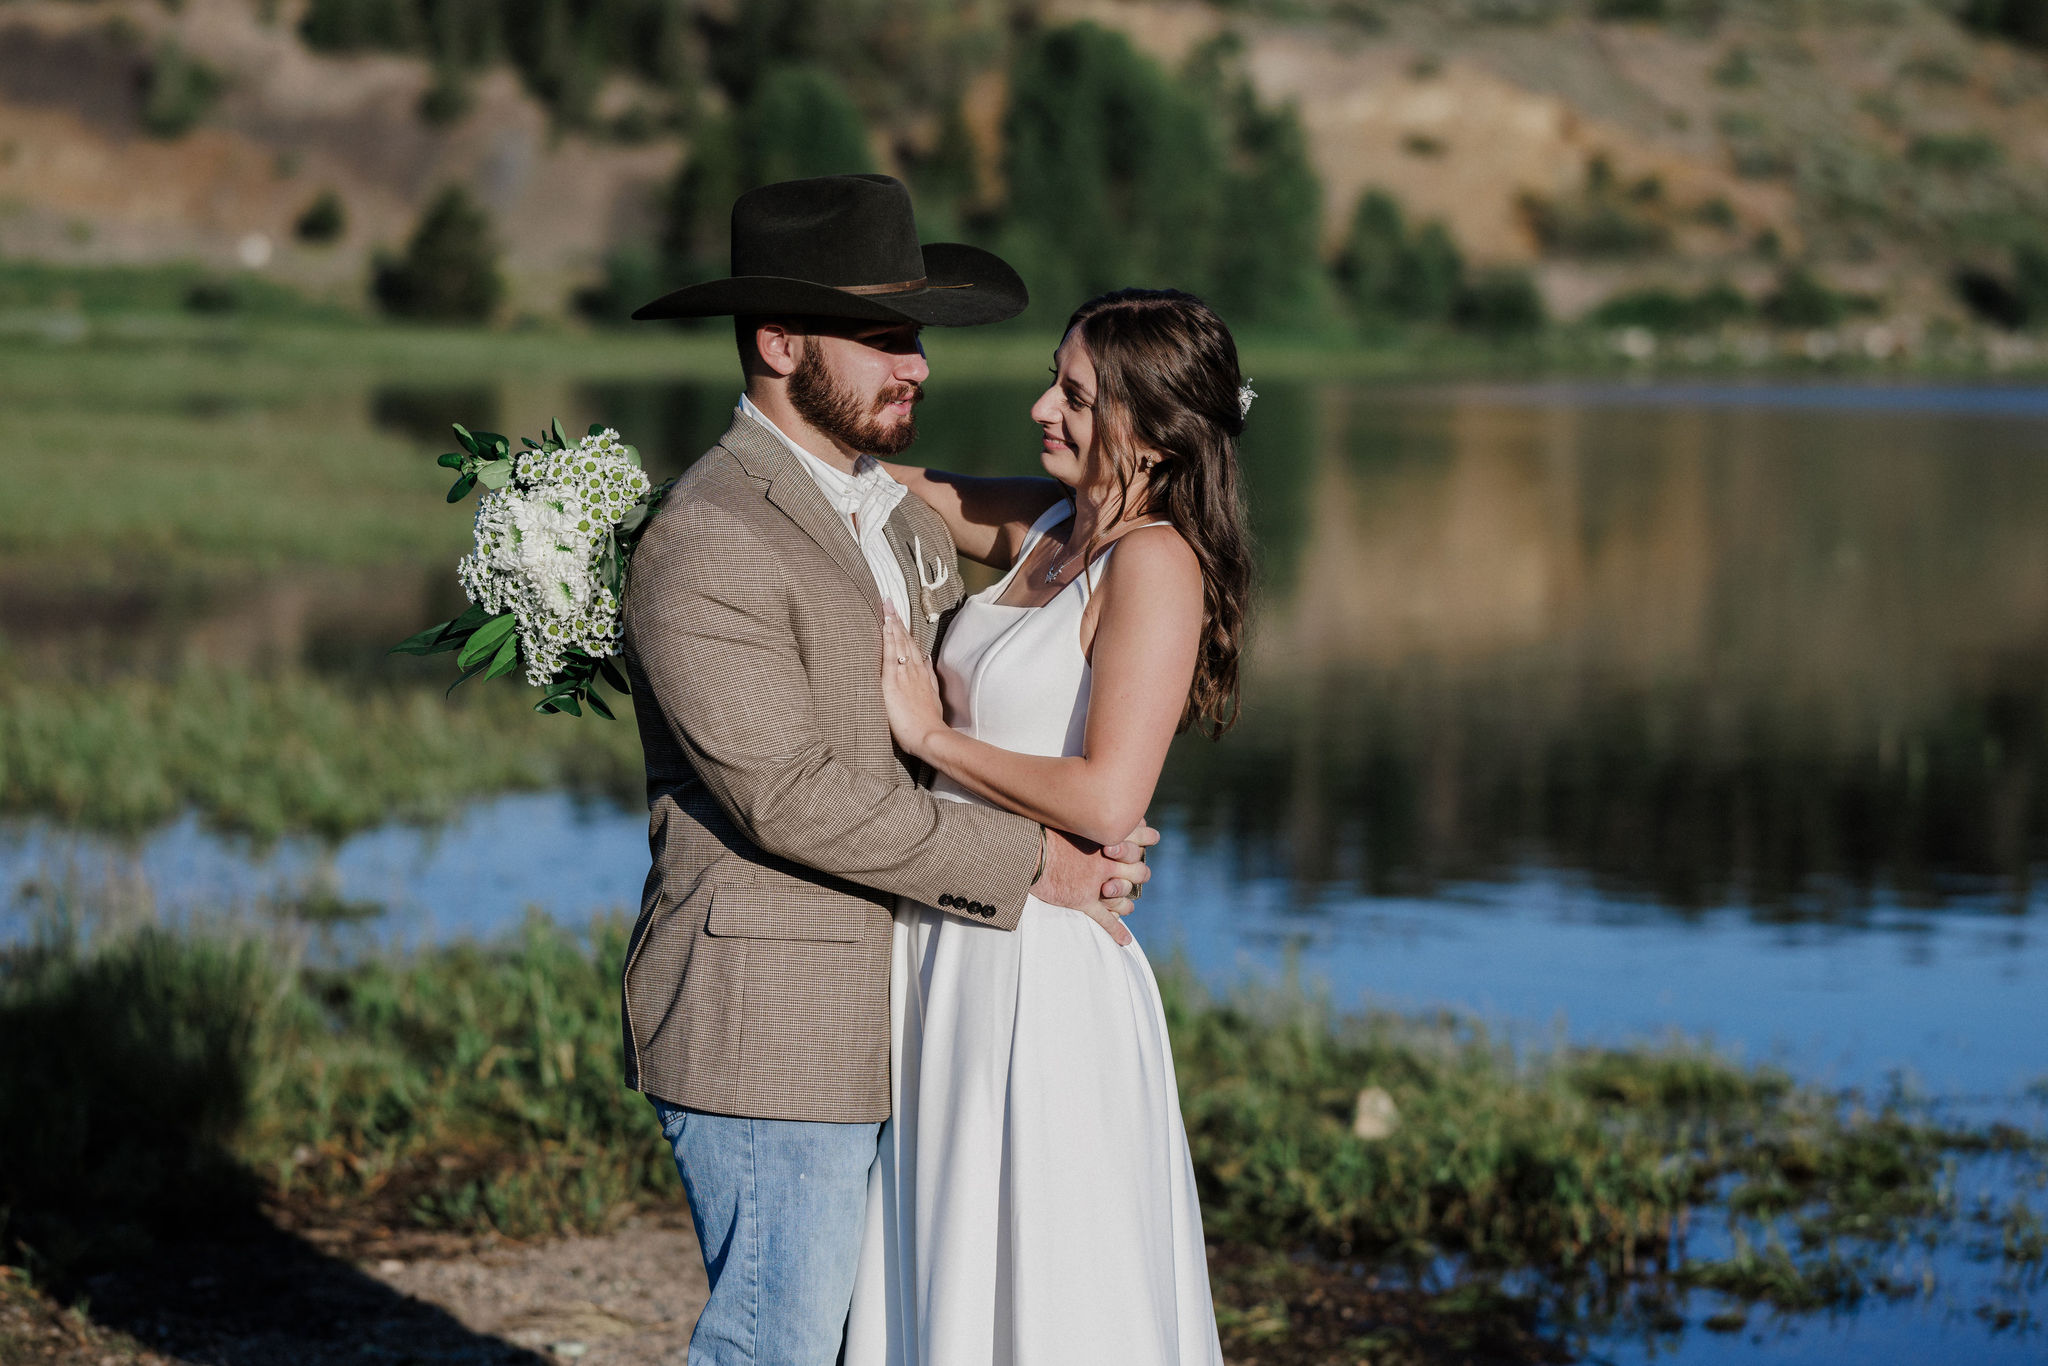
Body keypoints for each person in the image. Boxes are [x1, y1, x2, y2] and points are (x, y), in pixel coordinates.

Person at [619, 175, 1155, 1366]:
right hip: (773, 1022)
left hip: (925, 1008)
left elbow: (1094, 548)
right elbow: (790, 795)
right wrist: (1038, 867)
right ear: (776, 340)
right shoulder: (705, 539)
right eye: (881, 338)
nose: (914, 365)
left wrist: (1088, 807)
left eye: (914, 337)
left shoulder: (902, 518)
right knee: (775, 1346)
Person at [845, 288, 1253, 1365]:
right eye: (1051, 379)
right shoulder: (1047, 528)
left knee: (1052, 1275)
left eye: (1074, 395)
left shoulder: (1155, 562)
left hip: (1041, 968)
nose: (1041, 406)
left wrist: (929, 740)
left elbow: (1109, 798)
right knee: (948, 1249)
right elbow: (889, 488)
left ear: (1153, 429)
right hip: (949, 933)